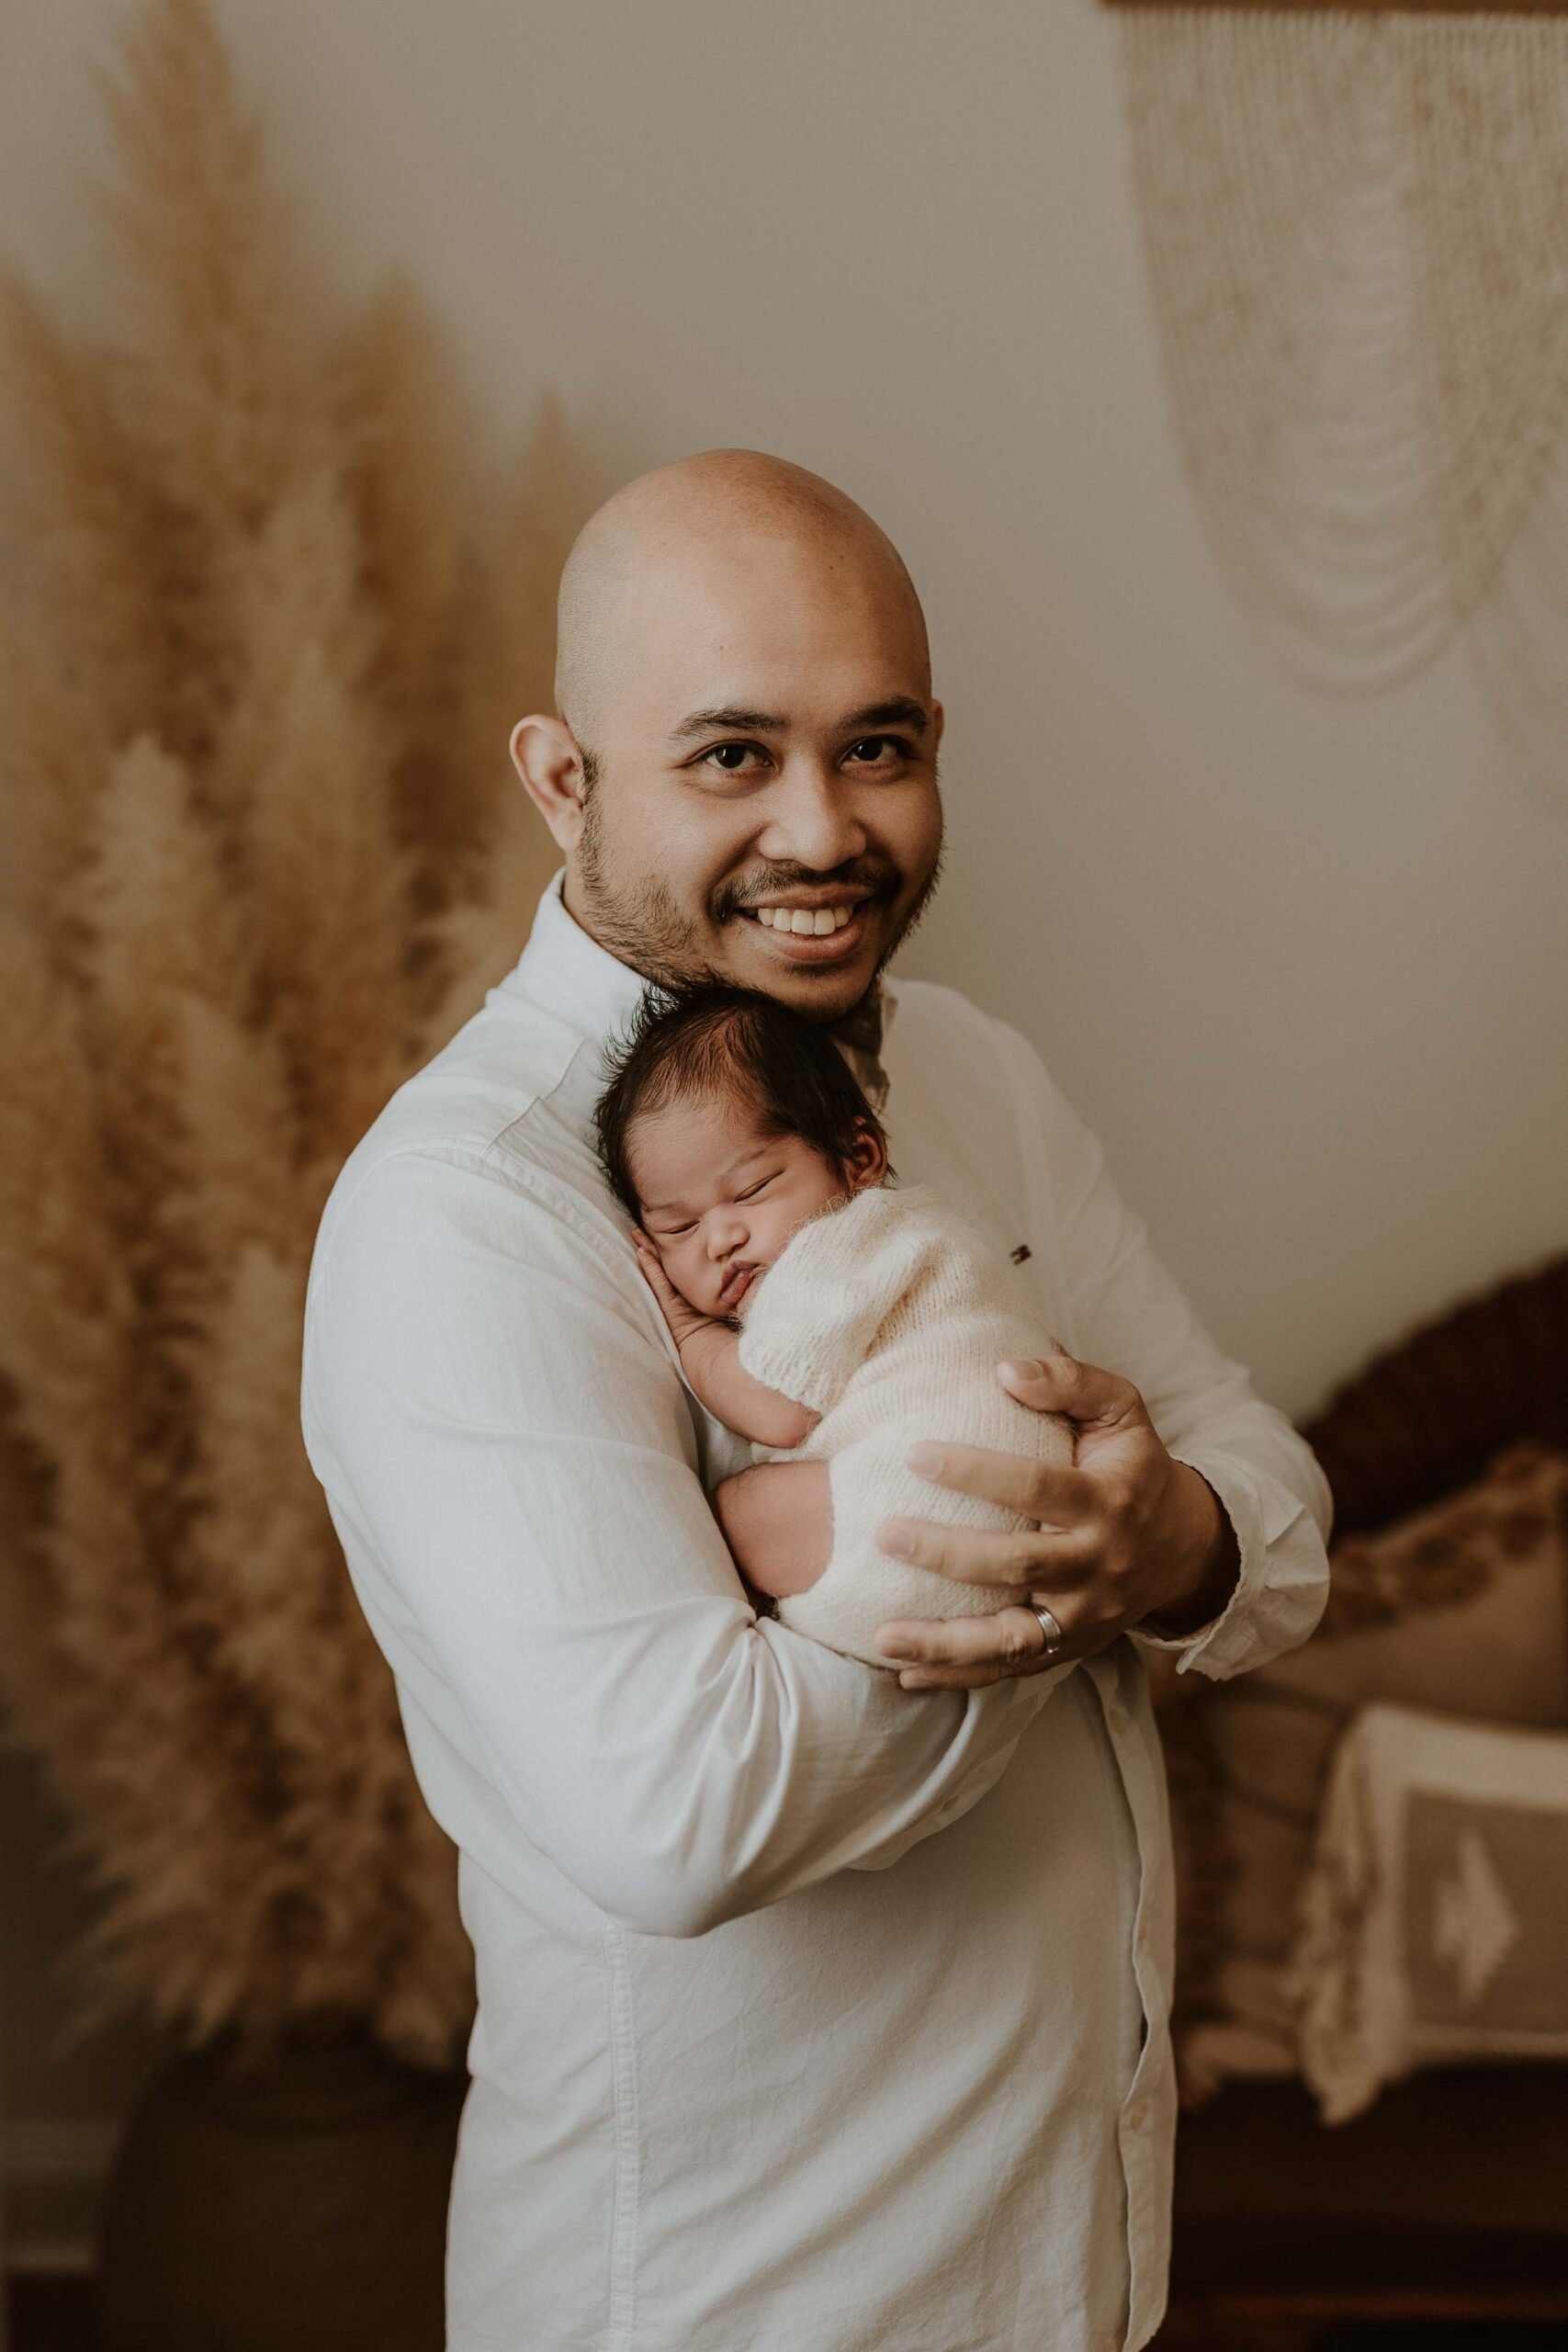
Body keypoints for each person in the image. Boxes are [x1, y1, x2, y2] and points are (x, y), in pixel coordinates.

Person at [300, 447, 1332, 2352]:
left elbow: (1263, 1510)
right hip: (735, 2305)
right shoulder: (466, 1209)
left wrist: (1162, 1535)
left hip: (1071, 2279)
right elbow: (679, 1811)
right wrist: (1055, 1567)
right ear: (561, 778)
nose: (820, 825)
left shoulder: (968, 1071)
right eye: (726, 754)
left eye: (872, 746)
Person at [591, 975, 1079, 1665]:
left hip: (922, 1514)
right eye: (678, 1226)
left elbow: (777, 1408)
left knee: (735, 1510)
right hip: (1020, 1527)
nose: (719, 1238)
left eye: (752, 1189)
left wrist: (689, 1327)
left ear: (859, 1160)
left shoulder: (840, 1243)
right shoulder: (932, 1230)